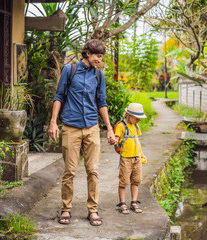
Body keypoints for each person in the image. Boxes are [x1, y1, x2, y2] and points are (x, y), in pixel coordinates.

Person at [48, 39, 116, 226]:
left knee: (93, 171)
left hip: (92, 128)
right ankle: (66, 209)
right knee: (69, 171)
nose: (99, 60)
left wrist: (109, 128)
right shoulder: (69, 71)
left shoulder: (99, 76)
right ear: (87, 53)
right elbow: (59, 97)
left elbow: (101, 102)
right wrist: (53, 122)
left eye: (101, 57)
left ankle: (93, 210)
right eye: (97, 56)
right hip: (71, 127)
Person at [114, 103, 147, 214]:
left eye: (140, 118)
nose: (139, 120)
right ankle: (122, 203)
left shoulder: (136, 126)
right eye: (137, 118)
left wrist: (142, 154)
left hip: (137, 158)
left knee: (136, 181)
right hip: (126, 158)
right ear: (128, 115)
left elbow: (137, 140)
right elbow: (116, 138)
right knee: (123, 181)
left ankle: (133, 201)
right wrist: (114, 140)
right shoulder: (121, 126)